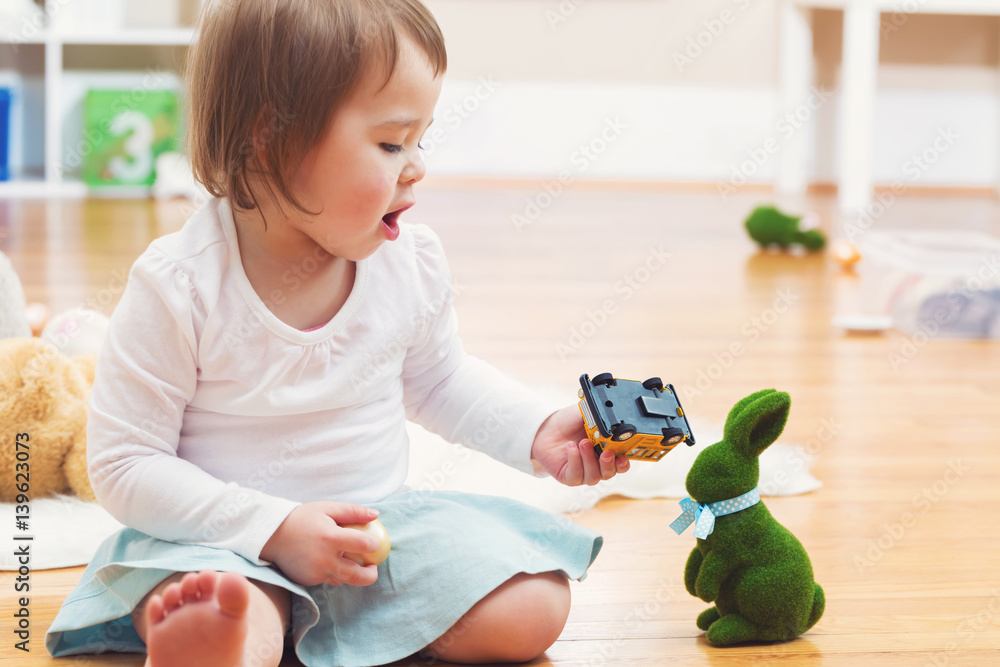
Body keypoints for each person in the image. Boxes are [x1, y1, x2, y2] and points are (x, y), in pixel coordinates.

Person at [45, 1, 631, 665]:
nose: (416, 168)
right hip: (223, 541)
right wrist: (273, 528)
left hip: (372, 535)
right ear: (273, 138)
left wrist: (535, 429)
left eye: (420, 140)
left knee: (535, 602)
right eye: (390, 143)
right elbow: (125, 463)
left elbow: (440, 380)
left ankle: (304, 624)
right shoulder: (180, 285)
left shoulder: (407, 262)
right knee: (226, 610)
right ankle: (231, 631)